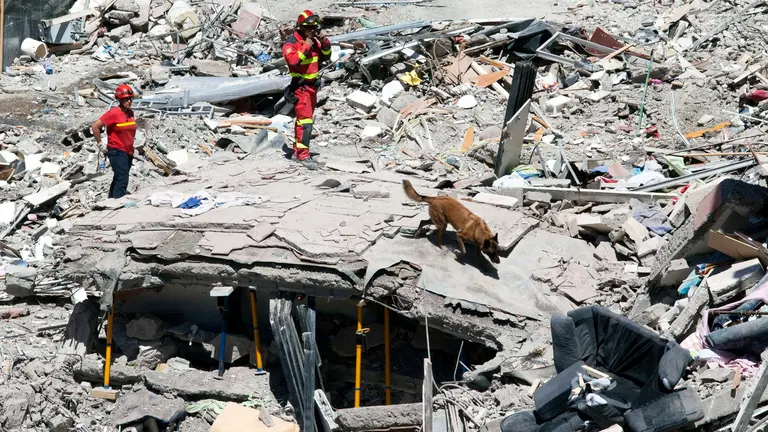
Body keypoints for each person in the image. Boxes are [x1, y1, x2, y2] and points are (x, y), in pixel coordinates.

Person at [282, 10, 332, 170]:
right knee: (306, 123)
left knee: (304, 121)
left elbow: (326, 56)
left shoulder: (313, 40)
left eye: (314, 28)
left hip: (312, 87)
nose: (312, 31)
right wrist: (305, 46)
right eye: (309, 28)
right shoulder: (291, 43)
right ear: (301, 28)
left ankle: (298, 151)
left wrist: (324, 42)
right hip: (301, 88)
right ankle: (303, 156)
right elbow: (294, 61)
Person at [91, 84, 137, 199]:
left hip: (128, 151)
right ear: (120, 100)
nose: (129, 102)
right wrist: (100, 145)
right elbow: (95, 127)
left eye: (130, 99)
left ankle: (111, 199)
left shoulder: (130, 113)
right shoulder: (113, 113)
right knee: (122, 178)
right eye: (126, 99)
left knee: (119, 176)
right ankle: (118, 201)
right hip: (116, 151)